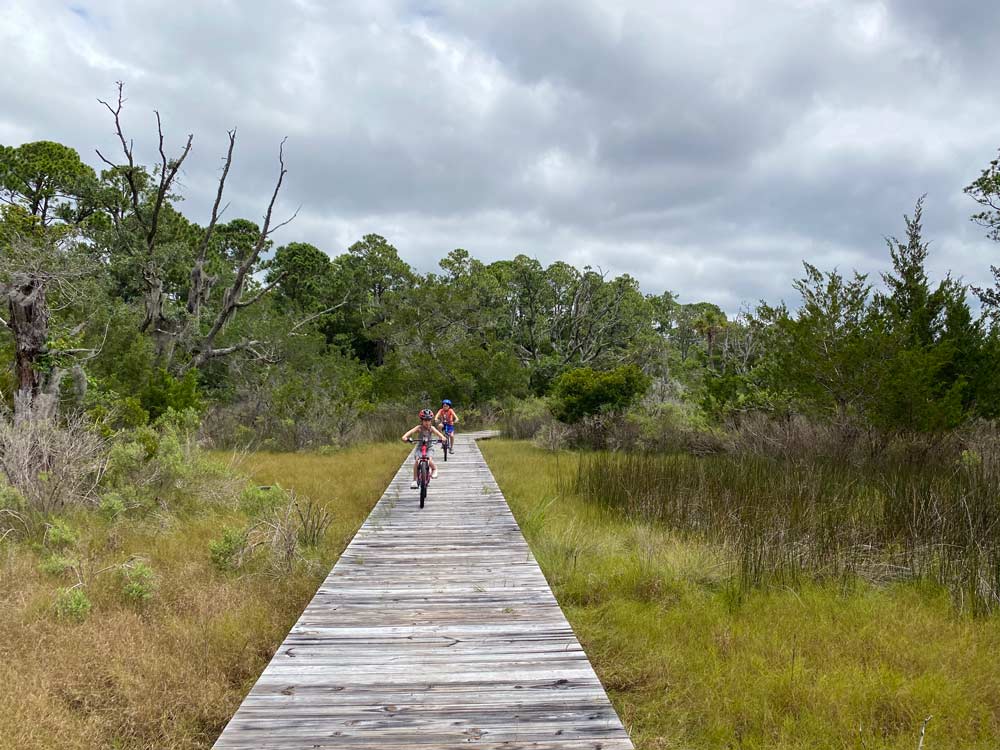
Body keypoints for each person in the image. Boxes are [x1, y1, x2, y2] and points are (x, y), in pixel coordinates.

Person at [401, 408, 447, 489]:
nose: (427, 422)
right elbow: (411, 432)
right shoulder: (419, 428)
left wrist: (443, 438)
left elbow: (438, 433)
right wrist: (405, 437)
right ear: (421, 421)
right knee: (417, 461)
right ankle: (414, 480)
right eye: (425, 420)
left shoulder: (431, 428)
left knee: (429, 459)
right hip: (420, 448)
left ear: (431, 421)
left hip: (429, 447)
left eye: (429, 420)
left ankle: (435, 469)